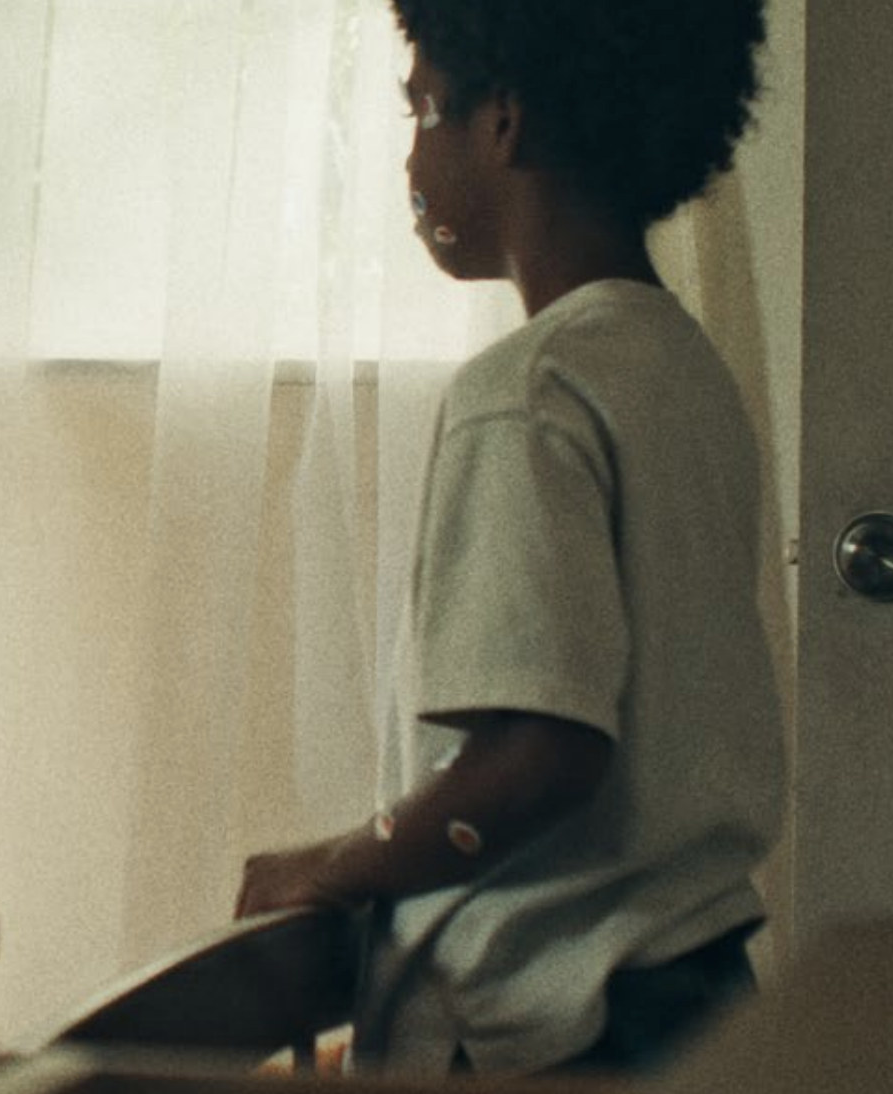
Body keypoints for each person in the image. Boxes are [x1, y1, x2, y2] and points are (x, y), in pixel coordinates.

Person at [232, 0, 781, 1077]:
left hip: (557, 1025)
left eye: (422, 111)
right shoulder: (679, 366)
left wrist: (332, 865)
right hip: (697, 986)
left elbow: (543, 752)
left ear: (503, 121)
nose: (410, 161)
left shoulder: (525, 392)